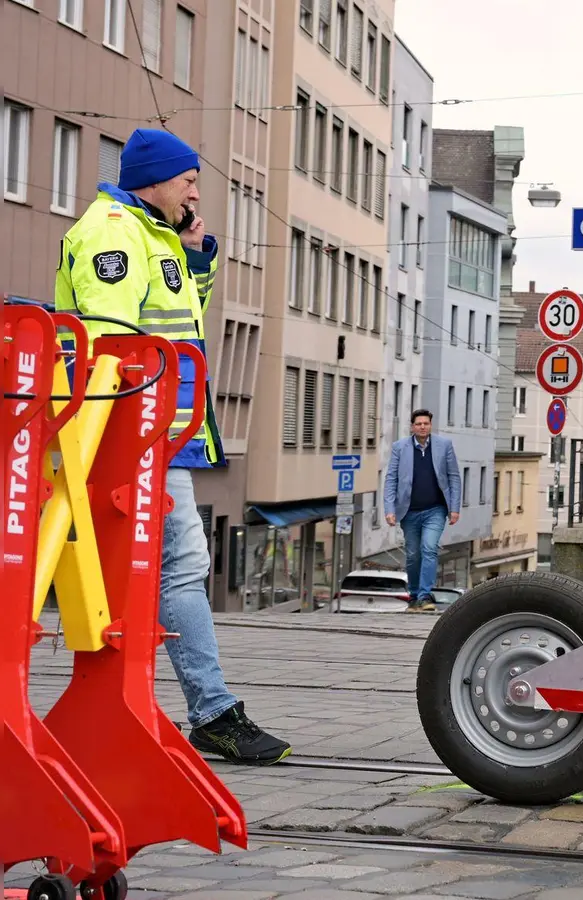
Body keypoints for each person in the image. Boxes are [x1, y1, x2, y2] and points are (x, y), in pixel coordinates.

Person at [53, 127, 292, 765]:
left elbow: (185, 324)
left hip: (160, 432)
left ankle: (172, 708)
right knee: (178, 565)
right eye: (187, 178)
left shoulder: (153, 235)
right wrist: (129, 434)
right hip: (135, 432)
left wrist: (195, 258)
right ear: (155, 180)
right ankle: (210, 712)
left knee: (165, 568)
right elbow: (113, 343)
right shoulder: (113, 232)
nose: (194, 188)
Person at [383, 410, 462, 611]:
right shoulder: (399, 448)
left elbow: (454, 477)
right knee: (412, 555)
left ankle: (425, 596)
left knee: (429, 548)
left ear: (430, 425)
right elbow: (391, 479)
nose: (422, 427)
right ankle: (414, 594)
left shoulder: (444, 446)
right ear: (412, 427)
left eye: (426, 423)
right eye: (418, 424)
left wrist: (454, 508)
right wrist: (389, 509)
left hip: (435, 509)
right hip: (408, 511)